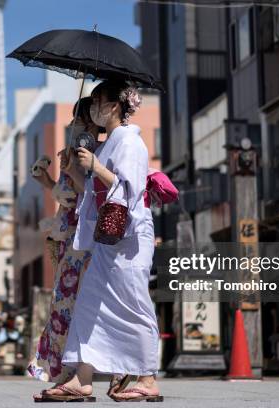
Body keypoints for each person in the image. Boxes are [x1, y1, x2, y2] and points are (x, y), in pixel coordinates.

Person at [39, 81, 163, 402]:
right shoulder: (109, 144)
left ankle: (147, 377)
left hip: (130, 239)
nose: (93, 108)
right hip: (106, 237)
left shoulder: (130, 143)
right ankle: (82, 378)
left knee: (133, 304)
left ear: (114, 106)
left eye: (98, 101)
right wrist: (78, 169)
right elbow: (91, 192)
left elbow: (131, 188)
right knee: (89, 303)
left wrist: (94, 167)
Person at [31, 97, 131, 396]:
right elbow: (67, 195)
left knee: (77, 306)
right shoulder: (76, 153)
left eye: (80, 119)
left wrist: (74, 168)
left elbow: (88, 194)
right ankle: (69, 373)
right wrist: (48, 180)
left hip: (83, 240)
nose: (74, 125)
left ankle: (82, 373)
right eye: (72, 120)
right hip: (68, 241)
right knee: (64, 305)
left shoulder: (94, 152)